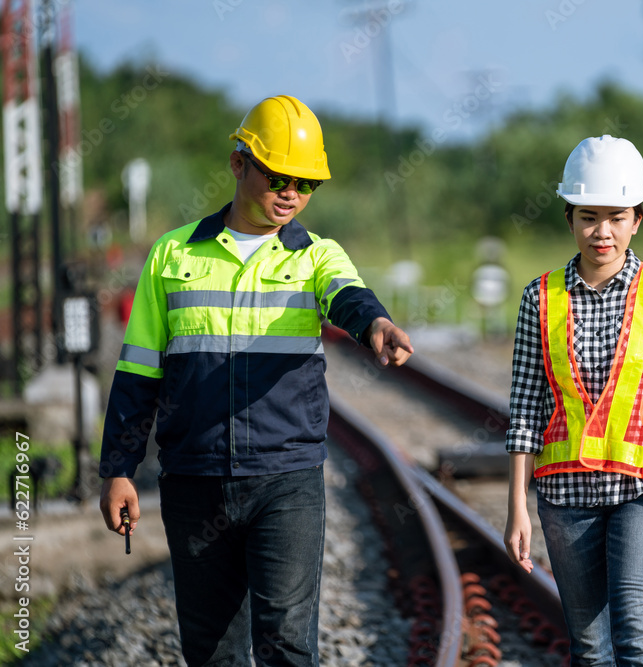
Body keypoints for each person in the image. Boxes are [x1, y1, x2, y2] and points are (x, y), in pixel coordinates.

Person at [98, 94, 413, 666]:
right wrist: (118, 469)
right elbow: (138, 372)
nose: (291, 192)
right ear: (239, 164)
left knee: (288, 648)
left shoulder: (316, 256)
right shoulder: (172, 255)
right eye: (278, 176)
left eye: (306, 183)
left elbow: (348, 295)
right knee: (212, 653)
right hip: (194, 479)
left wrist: (376, 324)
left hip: (285, 480)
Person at [503, 135, 643, 666]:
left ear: (637, 219)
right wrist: (516, 506)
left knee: (639, 640)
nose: (601, 231)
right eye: (588, 216)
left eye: (616, 217)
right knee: (590, 650)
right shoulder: (539, 298)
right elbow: (525, 411)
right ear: (569, 217)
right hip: (565, 496)